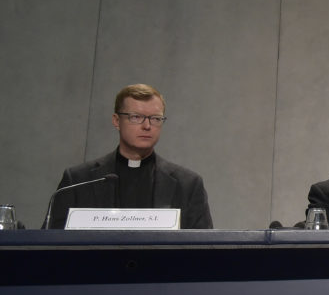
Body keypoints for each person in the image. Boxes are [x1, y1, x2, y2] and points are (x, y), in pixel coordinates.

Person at [46, 84, 212, 229]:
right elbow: (51, 243)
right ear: (116, 121)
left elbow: (203, 248)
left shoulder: (187, 184)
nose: (147, 126)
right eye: (136, 117)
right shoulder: (78, 181)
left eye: (155, 118)